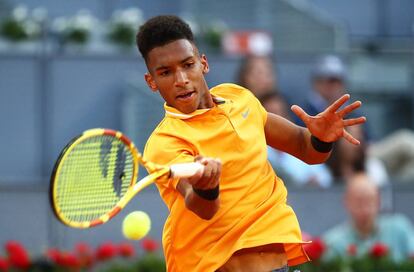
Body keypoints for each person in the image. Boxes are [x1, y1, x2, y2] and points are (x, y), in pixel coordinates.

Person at [136, 15, 366, 271]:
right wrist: (206, 188)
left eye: (188, 65)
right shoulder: (164, 142)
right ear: (151, 82)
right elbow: (202, 207)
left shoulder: (240, 98)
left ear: (203, 64)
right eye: (165, 72)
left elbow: (306, 149)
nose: (181, 79)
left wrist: (321, 138)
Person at [323, 173, 414, 262]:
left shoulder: (400, 228)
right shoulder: (332, 242)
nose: (365, 208)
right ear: (346, 202)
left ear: (379, 201)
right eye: (358, 201)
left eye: (369, 200)